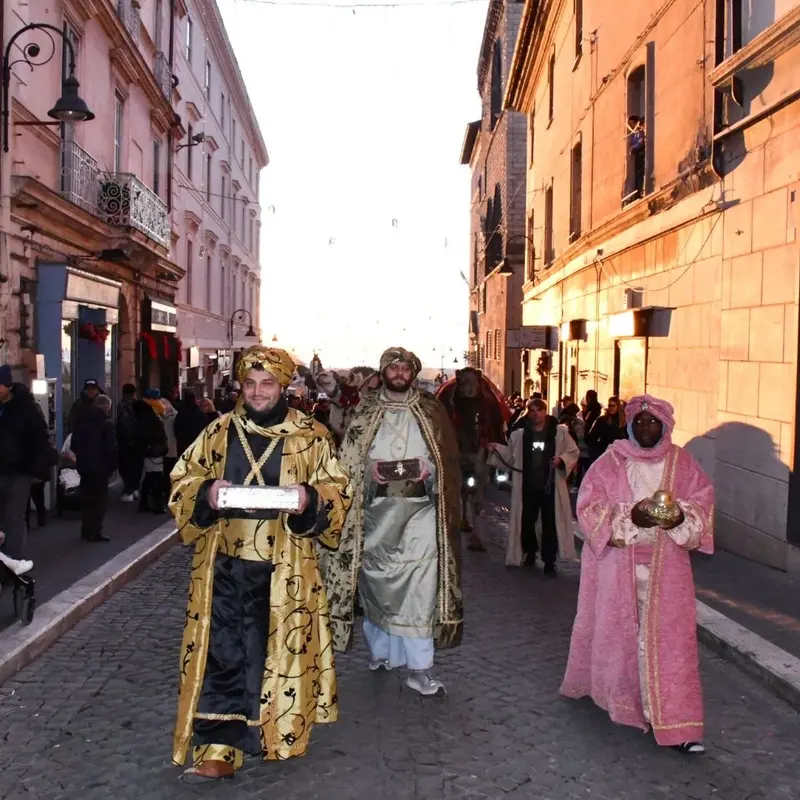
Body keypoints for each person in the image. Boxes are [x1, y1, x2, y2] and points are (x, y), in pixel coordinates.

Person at [168, 346, 352, 782]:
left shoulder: (312, 436)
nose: (257, 392)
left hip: (284, 569)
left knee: (269, 656)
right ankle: (218, 748)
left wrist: (311, 499)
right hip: (225, 567)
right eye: (250, 384)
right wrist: (207, 493)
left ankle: (275, 732)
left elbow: (338, 493)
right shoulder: (218, 431)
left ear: (283, 385)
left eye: (267, 383)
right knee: (222, 656)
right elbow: (183, 478)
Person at [561, 394, 713, 754]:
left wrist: (678, 517)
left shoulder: (682, 463)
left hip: (668, 573)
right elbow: (588, 506)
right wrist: (630, 519)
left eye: (653, 422)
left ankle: (676, 722)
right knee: (621, 638)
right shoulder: (611, 461)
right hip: (619, 571)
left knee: (670, 647)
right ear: (630, 425)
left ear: (664, 426)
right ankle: (623, 700)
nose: (646, 428)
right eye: (640, 422)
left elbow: (703, 504)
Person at [320, 347, 462, 696]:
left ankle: (420, 668)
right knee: (377, 586)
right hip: (376, 515)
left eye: (405, 368)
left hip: (421, 515)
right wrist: (370, 472)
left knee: (419, 588)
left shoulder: (430, 409)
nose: (399, 373)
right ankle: (381, 652)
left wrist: (431, 469)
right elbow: (347, 462)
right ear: (384, 372)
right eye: (393, 367)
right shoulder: (365, 410)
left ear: (413, 372)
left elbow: (447, 459)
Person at [492, 398, 579, 575]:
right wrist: (495, 449)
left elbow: (572, 451)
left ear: (545, 411)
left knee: (550, 523)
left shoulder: (559, 433)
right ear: (528, 412)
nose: (535, 413)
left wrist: (561, 460)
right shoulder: (519, 435)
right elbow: (510, 455)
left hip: (550, 486)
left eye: (539, 410)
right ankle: (530, 552)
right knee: (527, 521)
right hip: (528, 486)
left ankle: (549, 561)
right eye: (532, 410)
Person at [436, 367, 509, 551]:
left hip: (480, 448)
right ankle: (457, 522)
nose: (469, 387)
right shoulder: (447, 400)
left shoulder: (489, 402)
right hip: (455, 448)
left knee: (479, 488)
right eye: (465, 383)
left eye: (472, 383)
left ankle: (475, 529)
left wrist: (497, 442)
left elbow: (496, 423)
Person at [0, 366, 50, 592]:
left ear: (7, 386)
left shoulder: (26, 409)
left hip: (18, 473)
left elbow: (40, 441)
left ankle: (14, 564)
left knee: (13, 519)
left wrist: (35, 472)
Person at [72, 394, 117, 542]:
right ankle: (95, 531)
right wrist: (111, 467)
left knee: (87, 499)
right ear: (106, 407)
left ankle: (85, 529)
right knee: (99, 501)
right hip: (100, 468)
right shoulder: (106, 424)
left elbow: (74, 445)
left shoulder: (80, 422)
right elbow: (111, 448)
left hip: (84, 466)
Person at [135, 390, 169, 514]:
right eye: (156, 399)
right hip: (153, 449)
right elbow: (148, 432)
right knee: (155, 477)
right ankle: (157, 504)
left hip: (152, 449)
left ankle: (144, 503)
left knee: (151, 477)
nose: (159, 401)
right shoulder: (148, 413)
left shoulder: (147, 412)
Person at [116, 383, 141, 502]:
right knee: (135, 466)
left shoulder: (121, 406)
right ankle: (134, 488)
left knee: (125, 467)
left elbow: (122, 424)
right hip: (136, 441)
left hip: (124, 442)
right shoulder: (137, 406)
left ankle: (129, 489)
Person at [586, 394, 628, 460]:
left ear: (618, 407)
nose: (611, 408)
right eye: (609, 406)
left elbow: (627, 437)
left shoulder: (624, 421)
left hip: (619, 453)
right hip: (604, 452)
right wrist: (597, 450)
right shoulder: (602, 420)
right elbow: (592, 436)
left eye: (613, 406)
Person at [174, 390, 208, 457]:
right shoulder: (200, 414)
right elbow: (204, 428)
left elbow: (176, 428)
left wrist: (180, 440)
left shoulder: (180, 413)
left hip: (184, 443)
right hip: (197, 443)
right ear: (194, 400)